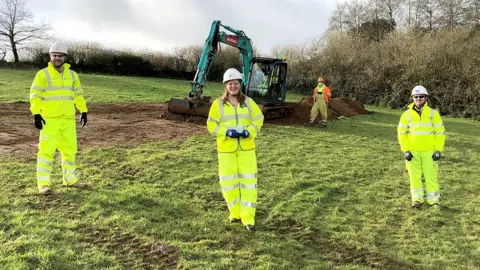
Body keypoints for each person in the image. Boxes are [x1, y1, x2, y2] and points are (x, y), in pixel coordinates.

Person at [206, 68, 264, 231]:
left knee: (248, 183)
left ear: (240, 84)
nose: (233, 86)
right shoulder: (218, 104)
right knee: (228, 183)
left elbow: (259, 120)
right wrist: (226, 132)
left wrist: (249, 131)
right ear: (226, 85)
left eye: (236, 83)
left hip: (246, 149)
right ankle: (235, 213)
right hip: (226, 150)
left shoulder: (248, 102)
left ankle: (248, 217)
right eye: (230, 84)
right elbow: (211, 125)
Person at [29, 41, 89, 195]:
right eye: (54, 55)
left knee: (70, 151)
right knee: (46, 153)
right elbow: (35, 96)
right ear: (50, 56)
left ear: (65, 57)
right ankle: (43, 185)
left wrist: (83, 111)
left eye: (60, 56)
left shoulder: (72, 75)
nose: (57, 58)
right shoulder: (42, 74)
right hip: (49, 120)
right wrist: (36, 113)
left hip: (68, 120)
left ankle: (70, 180)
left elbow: (78, 94)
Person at [397, 85, 446, 209]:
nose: (418, 99)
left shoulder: (433, 114)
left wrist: (438, 150)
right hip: (412, 152)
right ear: (413, 98)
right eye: (416, 97)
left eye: (421, 96)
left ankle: (434, 201)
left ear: (426, 98)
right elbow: (401, 133)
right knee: (414, 177)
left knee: (431, 177)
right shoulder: (406, 115)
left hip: (429, 152)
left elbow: (440, 133)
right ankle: (416, 200)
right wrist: (406, 150)